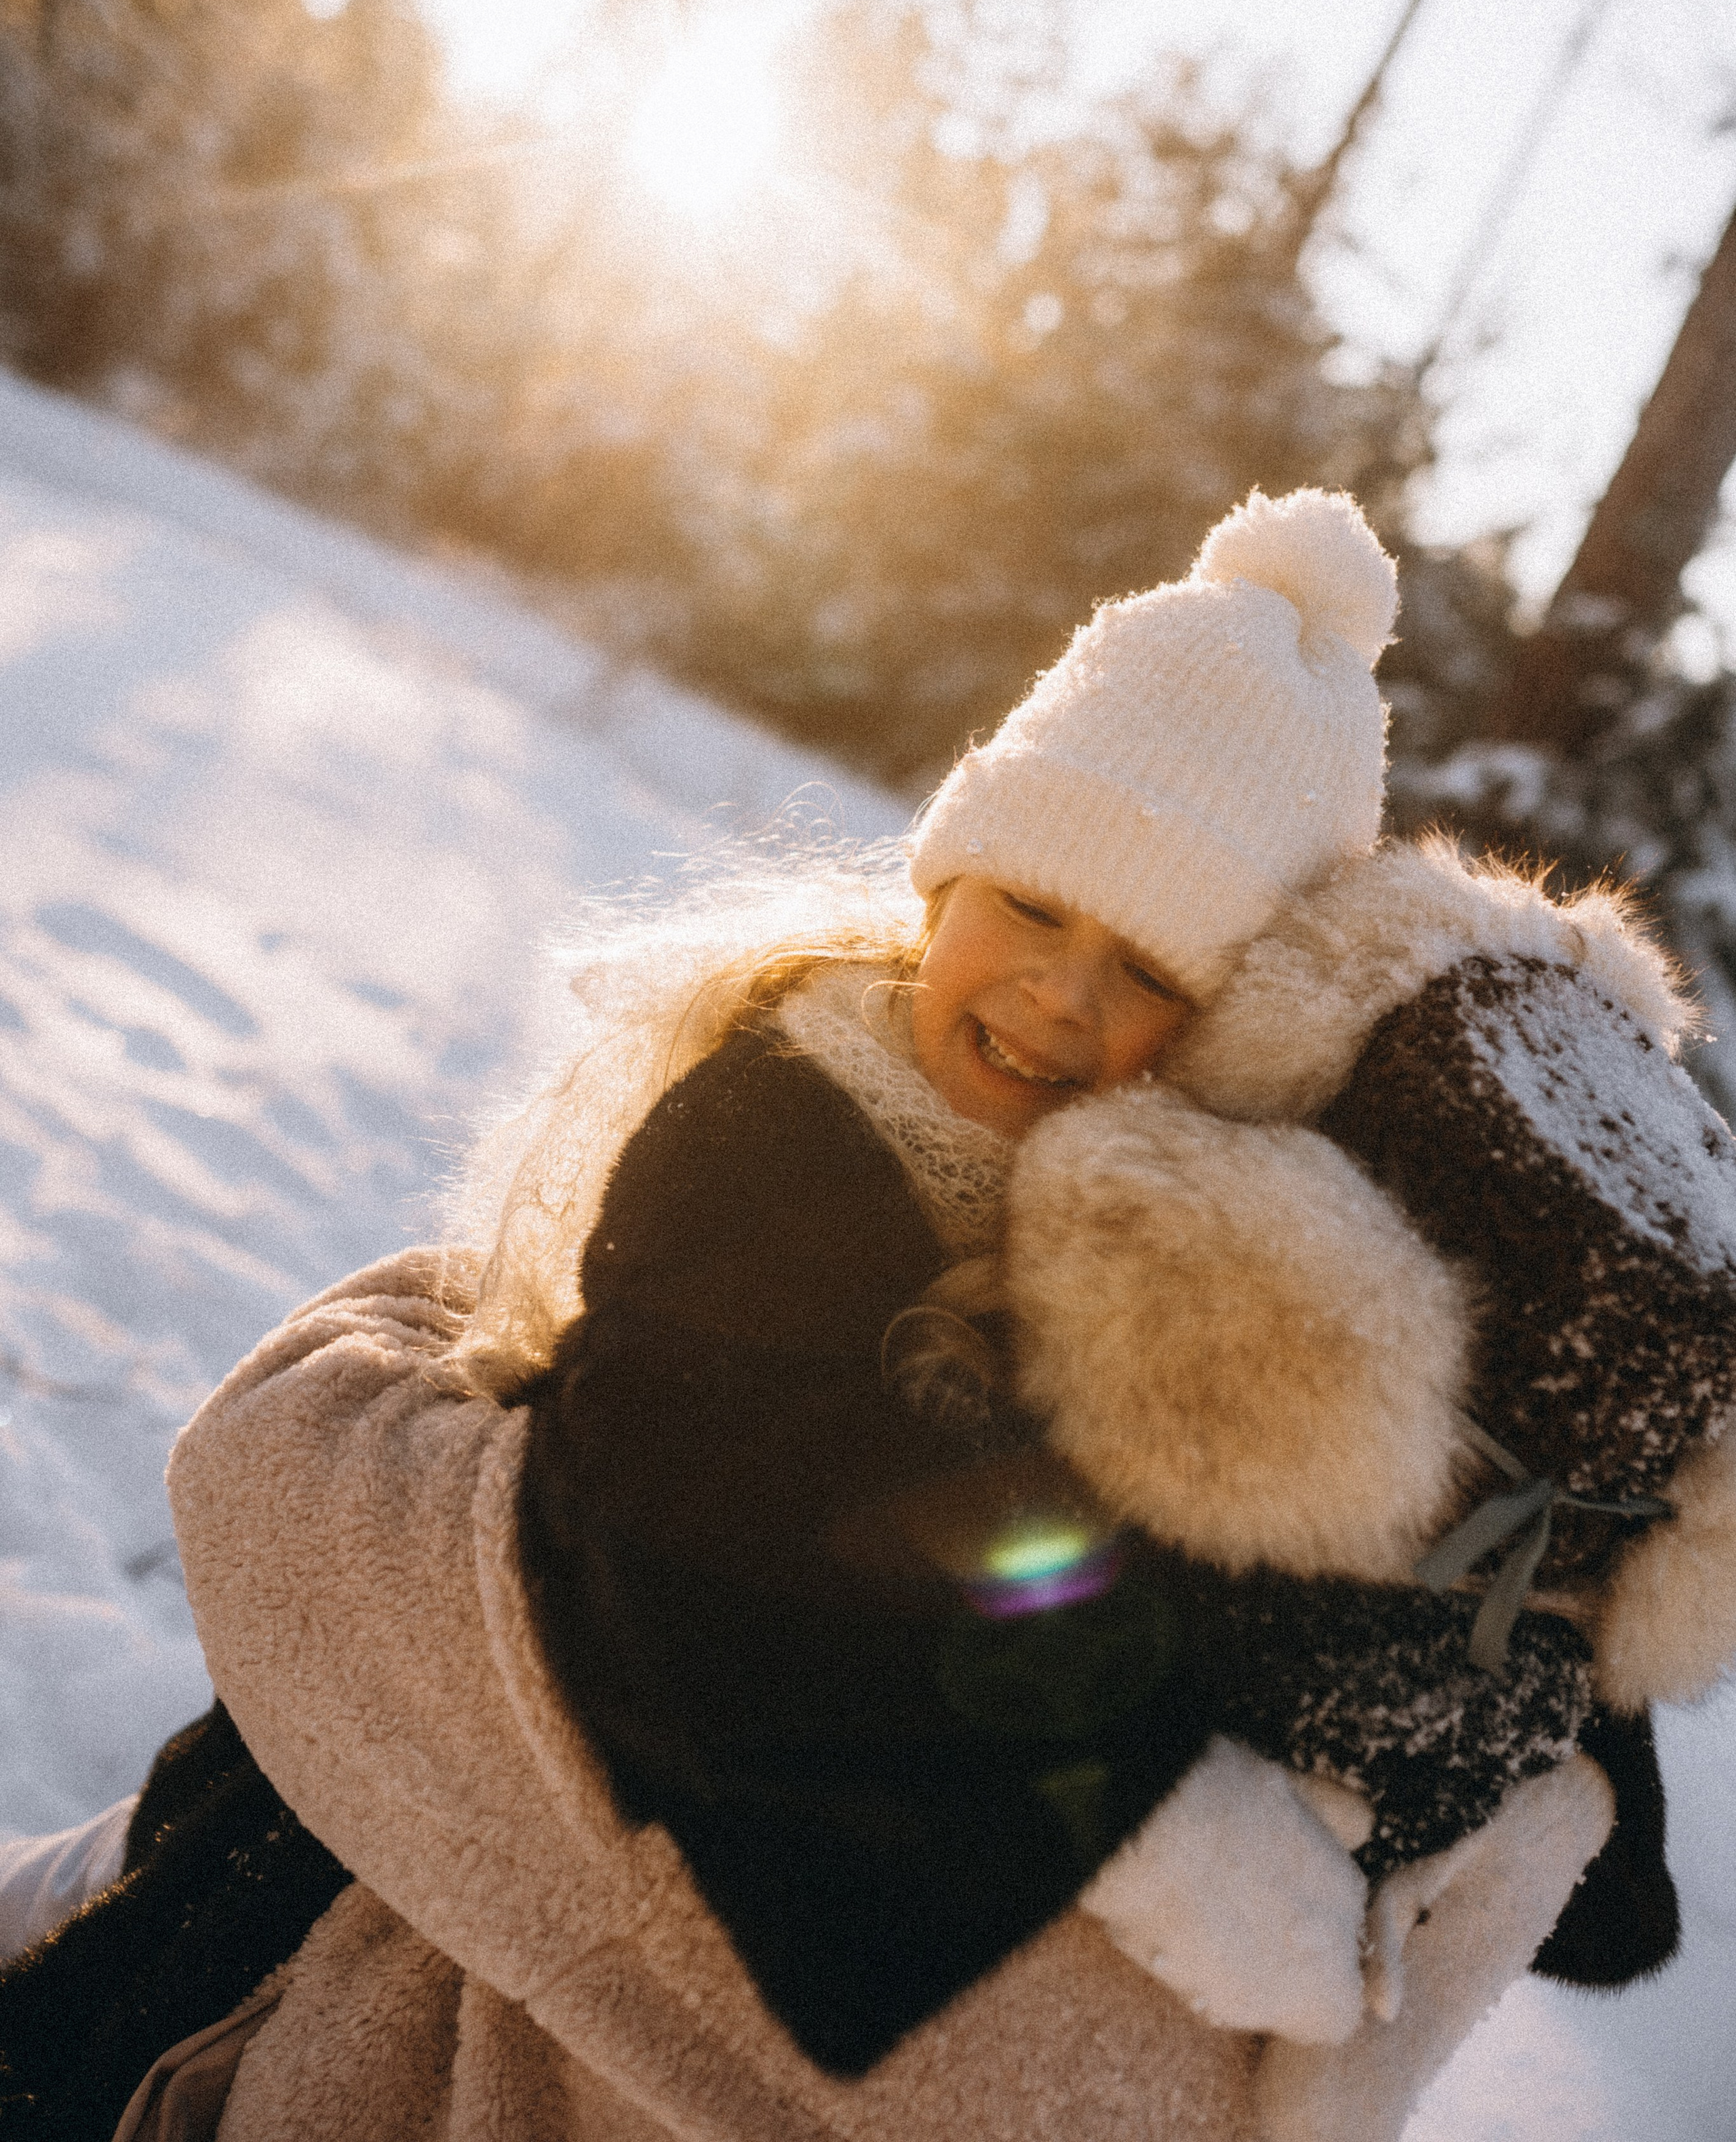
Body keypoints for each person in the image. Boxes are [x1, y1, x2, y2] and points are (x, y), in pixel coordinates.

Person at [0, 490, 1634, 2142]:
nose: (1062, 994)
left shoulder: (1161, 1267)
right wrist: (1157, 1812)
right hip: (366, 1796)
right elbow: (743, 1491)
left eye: (1150, 975)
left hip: (544, 1882)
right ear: (946, 880)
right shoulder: (785, 1120)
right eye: (1032, 907)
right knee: (139, 1947)